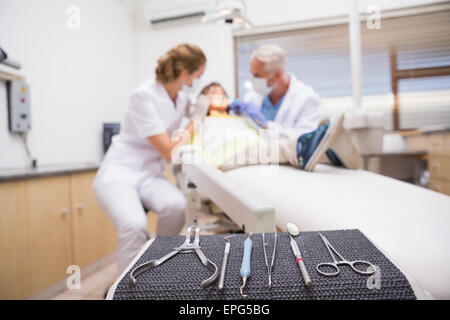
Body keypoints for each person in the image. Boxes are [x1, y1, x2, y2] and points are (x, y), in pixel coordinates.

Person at [93, 43, 210, 274]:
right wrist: (196, 120)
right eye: (198, 76)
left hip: (150, 175)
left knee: (177, 207)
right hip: (120, 174)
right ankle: (126, 289)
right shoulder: (143, 96)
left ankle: (154, 265)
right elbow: (167, 151)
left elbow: (205, 108)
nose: (196, 83)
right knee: (134, 225)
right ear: (185, 74)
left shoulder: (180, 98)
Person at [229, 44, 361, 169]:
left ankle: (332, 153)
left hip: (277, 154)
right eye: (252, 73)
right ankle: (332, 154)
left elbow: (304, 136)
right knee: (281, 149)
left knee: (289, 147)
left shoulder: (306, 97)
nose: (253, 79)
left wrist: (266, 126)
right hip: (262, 152)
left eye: (257, 75)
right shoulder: (252, 97)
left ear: (277, 74)